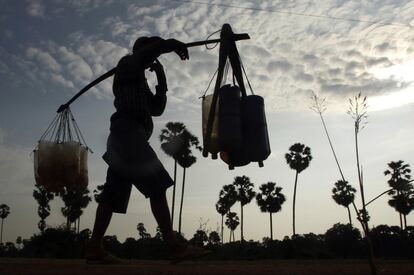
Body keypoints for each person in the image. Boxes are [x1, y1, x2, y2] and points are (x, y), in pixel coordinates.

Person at [85, 36, 209, 264]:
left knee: (112, 196)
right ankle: (173, 246)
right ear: (143, 52)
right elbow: (150, 51)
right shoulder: (127, 65)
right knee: (157, 185)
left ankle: (94, 247)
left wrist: (161, 77)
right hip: (128, 134)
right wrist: (171, 44)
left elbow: (157, 108)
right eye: (149, 51)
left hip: (126, 138)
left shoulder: (139, 83)